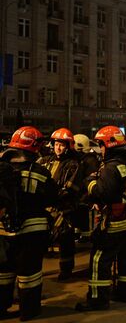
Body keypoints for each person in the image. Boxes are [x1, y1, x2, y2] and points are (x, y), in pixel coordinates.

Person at [75, 126, 126, 311]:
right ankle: (124, 294)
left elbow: (103, 192)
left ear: (109, 145)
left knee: (99, 259)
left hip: (116, 224)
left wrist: (90, 182)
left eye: (101, 145)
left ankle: (98, 300)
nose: (101, 149)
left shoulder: (110, 167)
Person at [0, 126, 57, 321]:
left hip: (3, 231)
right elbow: (52, 196)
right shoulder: (39, 171)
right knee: (29, 274)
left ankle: (1, 308)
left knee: (3, 272)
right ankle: (29, 310)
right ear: (35, 147)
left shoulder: (2, 169)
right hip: (32, 231)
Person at [37, 128, 83, 281]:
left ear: (68, 146)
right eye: (56, 144)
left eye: (62, 145)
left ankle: (66, 270)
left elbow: (69, 189)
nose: (58, 147)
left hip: (64, 209)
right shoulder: (45, 160)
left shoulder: (73, 164)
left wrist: (51, 197)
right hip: (46, 207)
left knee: (66, 239)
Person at [73, 134, 102, 242]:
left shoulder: (89, 161)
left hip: (86, 196)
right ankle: (82, 235)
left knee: (87, 216)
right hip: (82, 195)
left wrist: (88, 196)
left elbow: (90, 180)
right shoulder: (85, 159)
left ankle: (87, 237)